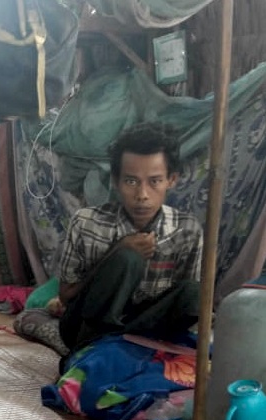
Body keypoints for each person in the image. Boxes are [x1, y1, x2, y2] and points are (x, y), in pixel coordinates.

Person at [57, 121, 203, 353]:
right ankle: (95, 352)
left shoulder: (187, 230)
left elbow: (180, 301)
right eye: (131, 181)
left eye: (154, 181)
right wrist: (116, 252)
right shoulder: (86, 222)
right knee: (128, 258)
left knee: (196, 294)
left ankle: (125, 348)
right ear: (116, 181)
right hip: (85, 328)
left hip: (144, 327)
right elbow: (66, 297)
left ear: (171, 180)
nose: (142, 195)